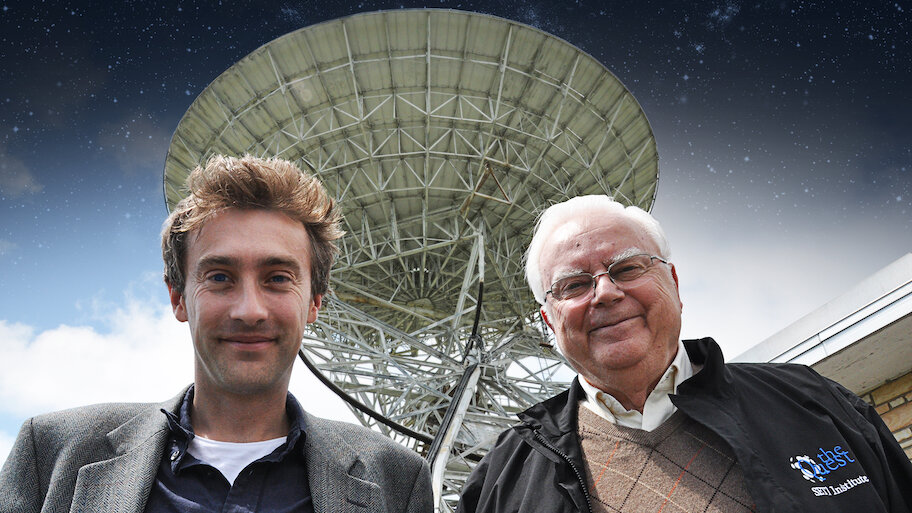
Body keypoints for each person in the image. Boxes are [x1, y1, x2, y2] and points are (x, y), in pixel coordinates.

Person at [0, 155, 432, 512]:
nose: (250, 311)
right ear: (178, 298)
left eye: (278, 278)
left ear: (314, 302)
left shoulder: (397, 480)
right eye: (220, 277)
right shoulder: (54, 454)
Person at [457, 195, 912, 513]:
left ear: (673, 283)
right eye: (574, 285)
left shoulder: (814, 403)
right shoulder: (501, 481)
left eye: (627, 268)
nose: (606, 293)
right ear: (549, 320)